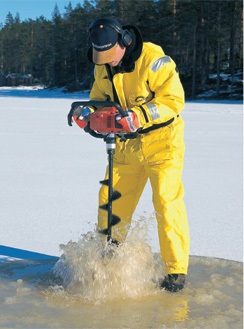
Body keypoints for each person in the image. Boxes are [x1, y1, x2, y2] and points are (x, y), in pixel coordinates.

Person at [75, 17, 190, 292]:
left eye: (110, 56)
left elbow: (174, 100)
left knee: (166, 201)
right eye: (100, 57)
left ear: (124, 42)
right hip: (127, 146)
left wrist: (139, 115)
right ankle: (110, 255)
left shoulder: (154, 60)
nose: (107, 62)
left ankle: (175, 271)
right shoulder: (103, 66)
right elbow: (99, 98)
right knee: (110, 199)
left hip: (163, 144)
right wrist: (89, 114)